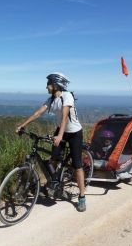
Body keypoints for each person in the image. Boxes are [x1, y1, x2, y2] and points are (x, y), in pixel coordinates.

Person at [16, 72, 87, 212]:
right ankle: (54, 182)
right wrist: (23, 125)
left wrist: (60, 136)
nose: (46, 86)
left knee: (77, 165)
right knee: (52, 158)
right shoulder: (51, 100)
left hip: (74, 134)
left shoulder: (67, 96)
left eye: (49, 83)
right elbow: (38, 113)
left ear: (56, 84)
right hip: (61, 131)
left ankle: (82, 197)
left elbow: (65, 117)